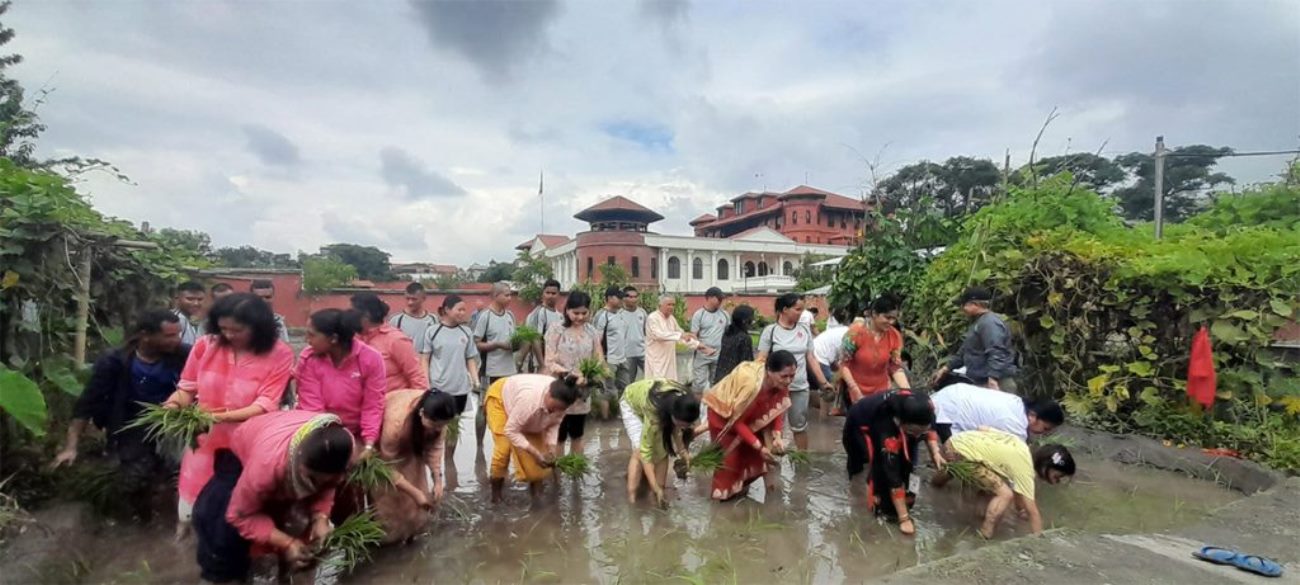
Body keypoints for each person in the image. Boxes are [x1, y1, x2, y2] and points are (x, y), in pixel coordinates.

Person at [167, 293, 294, 539]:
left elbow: (266, 404)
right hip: (205, 440)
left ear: (258, 328)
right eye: (223, 328)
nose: (228, 335)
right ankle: (188, 541)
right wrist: (173, 405)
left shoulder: (280, 353)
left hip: (250, 443)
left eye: (237, 330)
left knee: (241, 505)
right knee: (193, 503)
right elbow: (187, 387)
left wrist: (216, 418)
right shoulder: (205, 346)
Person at [51, 310, 190, 520]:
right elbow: (88, 402)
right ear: (145, 335)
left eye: (178, 334)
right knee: (135, 477)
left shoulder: (183, 355)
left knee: (179, 472)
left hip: (174, 424)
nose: (177, 340)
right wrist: (71, 446)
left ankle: (173, 514)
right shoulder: (115, 361)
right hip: (130, 426)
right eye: (169, 335)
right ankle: (140, 518)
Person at [191, 410, 353, 583]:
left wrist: (320, 517)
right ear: (301, 466)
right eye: (313, 479)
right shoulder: (264, 468)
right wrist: (288, 543)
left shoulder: (342, 444)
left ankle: (284, 572)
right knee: (220, 526)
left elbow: (329, 486)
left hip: (277, 438)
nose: (320, 485)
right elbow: (239, 516)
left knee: (291, 525)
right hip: (245, 450)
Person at [932, 430, 1076, 537]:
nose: (1058, 481)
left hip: (954, 442)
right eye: (1058, 476)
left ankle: (933, 487)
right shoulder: (1025, 470)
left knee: (989, 486)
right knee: (1005, 494)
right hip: (961, 454)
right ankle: (985, 535)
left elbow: (983, 428)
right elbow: (1033, 513)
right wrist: (1039, 540)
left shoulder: (1020, 445)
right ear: (1046, 466)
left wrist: (1019, 510)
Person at [842, 390, 940, 535]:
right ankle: (866, 503)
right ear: (899, 422)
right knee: (873, 468)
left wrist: (935, 452)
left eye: (921, 432)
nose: (917, 437)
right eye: (914, 432)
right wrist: (904, 519)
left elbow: (930, 428)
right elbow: (891, 472)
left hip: (905, 425)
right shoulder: (886, 425)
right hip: (860, 425)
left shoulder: (925, 408)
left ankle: (901, 502)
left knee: (909, 465)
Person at [702, 351, 797, 501]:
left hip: (754, 415)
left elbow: (777, 408)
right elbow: (737, 423)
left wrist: (777, 435)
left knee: (750, 456)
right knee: (730, 461)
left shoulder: (781, 383)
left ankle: (741, 493)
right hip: (725, 416)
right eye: (784, 376)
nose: (788, 380)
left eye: (792, 376)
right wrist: (759, 447)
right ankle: (722, 503)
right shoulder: (752, 387)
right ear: (769, 371)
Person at [295, 308, 386, 457]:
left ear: (333, 339)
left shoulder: (371, 359)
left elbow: (373, 404)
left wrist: (369, 444)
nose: (307, 340)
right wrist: (331, 444)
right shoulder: (309, 358)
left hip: (357, 433)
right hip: (317, 433)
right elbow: (313, 408)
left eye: (312, 335)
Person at [372, 389, 457, 544]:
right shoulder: (396, 422)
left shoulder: (438, 418)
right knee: (389, 502)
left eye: (442, 426)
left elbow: (435, 448)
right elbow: (385, 465)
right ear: (422, 413)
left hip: (410, 447)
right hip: (383, 451)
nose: (438, 429)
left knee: (417, 501)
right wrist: (415, 493)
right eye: (434, 425)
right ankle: (389, 542)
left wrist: (437, 480)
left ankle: (412, 535)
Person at [484, 374, 581, 503]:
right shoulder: (529, 402)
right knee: (503, 450)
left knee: (540, 459)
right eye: (553, 407)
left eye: (559, 409)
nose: (554, 411)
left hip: (522, 406)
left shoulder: (561, 403)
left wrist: (551, 446)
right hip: (500, 398)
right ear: (548, 394)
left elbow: (553, 425)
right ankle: (496, 496)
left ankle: (537, 497)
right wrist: (533, 452)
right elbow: (511, 430)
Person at [758, 293, 830, 451]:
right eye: (797, 309)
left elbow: (811, 358)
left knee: (799, 426)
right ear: (785, 309)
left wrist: (823, 382)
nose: (801, 313)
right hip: (775, 389)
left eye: (802, 310)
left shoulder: (804, 330)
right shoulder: (771, 331)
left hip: (799, 387)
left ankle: (802, 459)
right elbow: (761, 360)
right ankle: (771, 459)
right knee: (771, 426)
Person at [621, 379, 700, 505]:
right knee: (639, 451)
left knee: (662, 449)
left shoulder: (686, 402)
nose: (685, 427)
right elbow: (646, 453)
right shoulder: (654, 414)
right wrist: (655, 487)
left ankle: (657, 496)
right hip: (631, 403)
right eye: (683, 424)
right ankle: (632, 499)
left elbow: (677, 430)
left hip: (654, 401)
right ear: (673, 415)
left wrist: (683, 453)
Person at [544, 290, 603, 456]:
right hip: (560, 388)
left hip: (582, 390)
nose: (580, 317)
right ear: (567, 310)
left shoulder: (591, 331)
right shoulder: (556, 330)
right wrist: (569, 375)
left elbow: (598, 357)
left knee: (578, 433)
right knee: (559, 434)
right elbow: (549, 361)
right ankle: (557, 468)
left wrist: (591, 376)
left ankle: (576, 467)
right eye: (576, 313)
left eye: (584, 313)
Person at [422, 295, 481, 457]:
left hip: (460, 388)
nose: (463, 313)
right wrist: (426, 383)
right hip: (438, 388)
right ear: (447, 310)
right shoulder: (432, 331)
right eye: (459, 309)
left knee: (454, 426)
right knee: (435, 425)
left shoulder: (466, 332)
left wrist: (475, 380)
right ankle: (433, 458)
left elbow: (470, 358)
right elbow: (425, 359)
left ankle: (449, 460)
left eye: (464, 310)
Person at [929, 287, 1019, 392]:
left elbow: (997, 351)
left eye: (964, 305)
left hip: (997, 382)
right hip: (982, 381)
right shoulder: (978, 323)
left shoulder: (989, 323)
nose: (962, 309)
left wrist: (993, 378)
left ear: (974, 304)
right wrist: (946, 368)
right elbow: (965, 352)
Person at [930, 379, 1066, 442]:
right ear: (1032, 415)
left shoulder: (1016, 402)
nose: (1044, 433)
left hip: (953, 392)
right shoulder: (1016, 428)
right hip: (948, 412)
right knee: (954, 456)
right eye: (1045, 428)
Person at [351, 293, 428, 392]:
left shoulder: (396, 340)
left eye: (352, 313)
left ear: (366, 315)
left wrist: (419, 400)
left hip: (394, 399)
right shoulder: (354, 339)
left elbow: (416, 376)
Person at [840, 295, 910, 405]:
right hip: (855, 391)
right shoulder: (855, 333)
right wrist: (855, 390)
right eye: (887, 317)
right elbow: (844, 364)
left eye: (894, 318)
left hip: (882, 391)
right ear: (874, 314)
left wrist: (907, 391)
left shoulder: (894, 336)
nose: (891, 322)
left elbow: (895, 366)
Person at [473, 281, 518, 447]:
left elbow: (514, 339)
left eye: (510, 295)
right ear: (495, 296)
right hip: (489, 371)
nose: (510, 298)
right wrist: (497, 345)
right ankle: (479, 445)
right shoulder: (485, 316)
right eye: (506, 295)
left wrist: (516, 344)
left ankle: (503, 444)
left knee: (507, 406)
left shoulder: (510, 316)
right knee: (483, 406)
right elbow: (477, 343)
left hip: (509, 370)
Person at [646, 294, 704, 381]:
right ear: (660, 305)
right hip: (656, 361)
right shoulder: (653, 318)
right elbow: (658, 335)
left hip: (669, 360)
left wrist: (697, 345)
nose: (671, 307)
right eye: (669, 304)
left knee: (670, 385)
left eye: (673, 305)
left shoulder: (671, 319)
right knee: (657, 385)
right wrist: (680, 335)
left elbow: (681, 335)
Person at [592, 287, 626, 418]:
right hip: (608, 358)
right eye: (619, 297)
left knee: (625, 387)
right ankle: (605, 419)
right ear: (610, 298)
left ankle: (621, 415)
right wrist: (601, 361)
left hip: (622, 358)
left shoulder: (620, 314)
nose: (622, 300)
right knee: (607, 390)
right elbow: (596, 341)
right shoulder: (602, 315)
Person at [689, 287, 729, 395]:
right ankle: (696, 404)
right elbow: (693, 336)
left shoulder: (724, 315)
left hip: (719, 354)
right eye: (718, 299)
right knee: (699, 384)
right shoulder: (699, 315)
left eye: (722, 299)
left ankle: (712, 404)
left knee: (717, 383)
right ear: (710, 298)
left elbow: (728, 333)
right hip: (702, 355)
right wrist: (703, 348)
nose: (721, 301)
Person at [812, 310, 850, 415]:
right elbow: (844, 363)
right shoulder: (850, 337)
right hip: (819, 354)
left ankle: (834, 408)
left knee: (839, 379)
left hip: (820, 351)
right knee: (828, 386)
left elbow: (836, 362)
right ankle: (824, 415)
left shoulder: (846, 330)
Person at [523, 279, 563, 373]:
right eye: (547, 293)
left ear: (558, 295)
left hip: (555, 364)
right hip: (539, 364)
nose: (550, 296)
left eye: (553, 293)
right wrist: (542, 365)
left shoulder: (560, 316)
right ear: (543, 294)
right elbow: (535, 339)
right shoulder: (539, 313)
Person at [390, 282, 437, 355]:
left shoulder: (433, 320)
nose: (410, 302)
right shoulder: (396, 321)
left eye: (414, 299)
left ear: (423, 298)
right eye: (407, 299)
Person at [712, 305, 755, 384]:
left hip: (721, 376)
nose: (753, 322)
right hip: (734, 380)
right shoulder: (744, 338)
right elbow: (746, 363)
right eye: (752, 319)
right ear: (744, 321)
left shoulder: (727, 332)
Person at [618, 286, 648, 389]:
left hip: (643, 353)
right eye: (630, 297)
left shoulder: (642, 313)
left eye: (635, 297)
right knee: (628, 383)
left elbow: (646, 331)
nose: (633, 299)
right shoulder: (619, 314)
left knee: (652, 377)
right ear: (623, 298)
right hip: (627, 355)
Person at [250, 279, 289, 343]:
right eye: (259, 298)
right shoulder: (241, 321)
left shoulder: (278, 321)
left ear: (273, 298)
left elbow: (284, 346)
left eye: (268, 297)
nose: (264, 301)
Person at [173, 280, 207, 346]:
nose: (196, 303)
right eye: (190, 299)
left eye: (200, 299)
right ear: (177, 298)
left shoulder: (193, 319)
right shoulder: (176, 319)